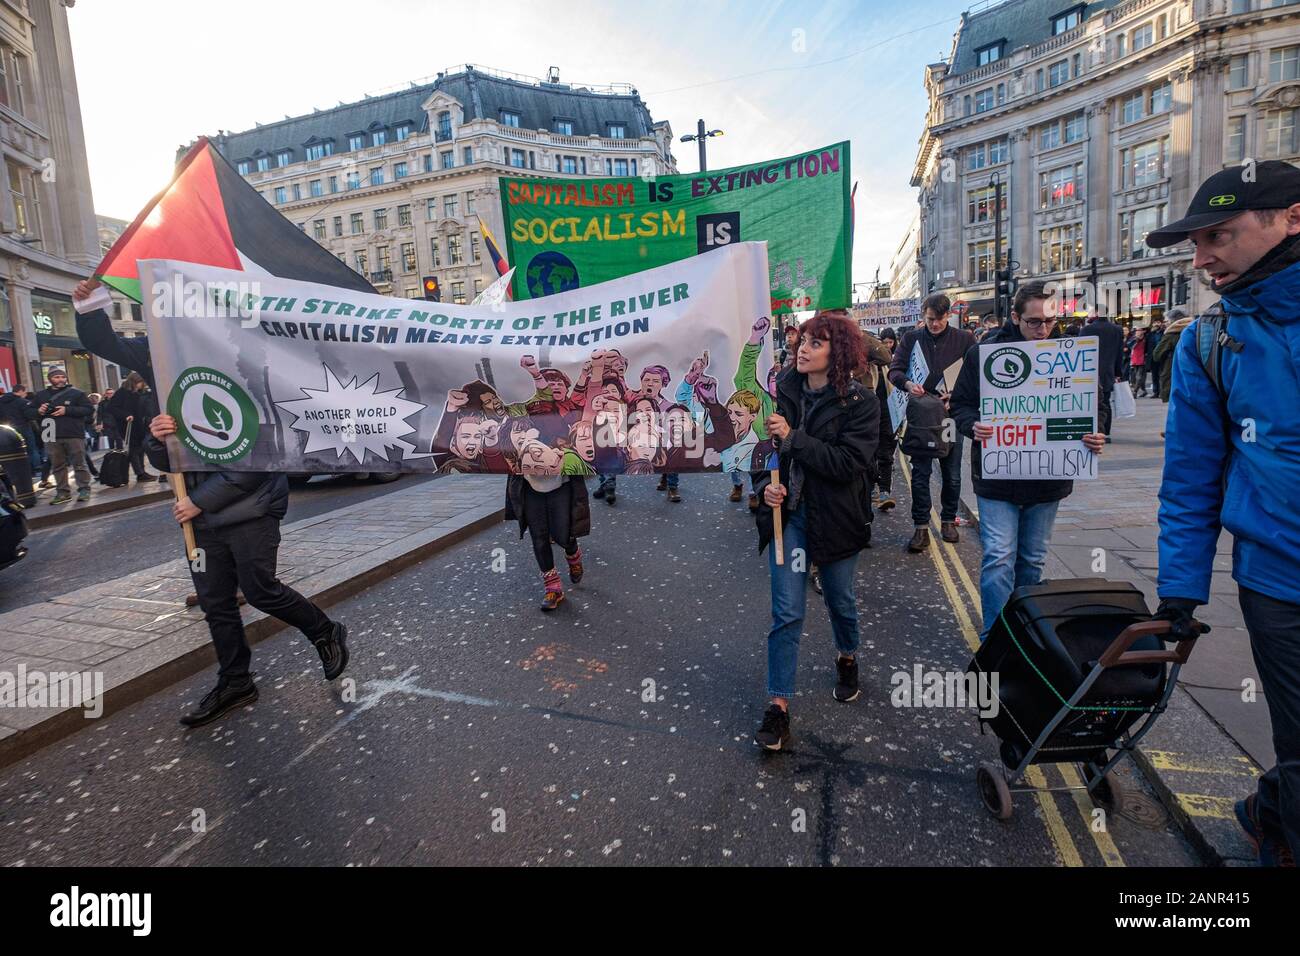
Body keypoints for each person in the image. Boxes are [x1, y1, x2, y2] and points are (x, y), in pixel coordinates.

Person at [73, 278, 349, 727]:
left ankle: (324, 630)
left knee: (260, 590)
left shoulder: (250, 359)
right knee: (215, 601)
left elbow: (256, 457)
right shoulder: (165, 353)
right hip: (198, 513)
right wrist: (157, 437)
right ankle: (236, 681)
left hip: (248, 507)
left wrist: (200, 502)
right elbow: (106, 344)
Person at [1146, 160, 1300, 868]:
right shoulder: (1210, 343)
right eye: (1196, 244)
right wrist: (1180, 589)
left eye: (1219, 237)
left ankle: (1267, 808)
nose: (1202, 259)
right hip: (1279, 582)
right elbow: (1191, 476)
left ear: (1291, 218)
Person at [950, 282, 1107, 639]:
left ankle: (1024, 631)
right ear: (1016, 317)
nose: (1043, 329)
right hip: (998, 477)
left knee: (1032, 560)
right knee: (999, 558)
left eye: (1050, 321)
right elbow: (960, 405)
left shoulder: (1071, 354)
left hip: (1048, 478)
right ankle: (995, 636)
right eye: (1034, 322)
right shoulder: (983, 354)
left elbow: (1090, 406)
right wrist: (971, 424)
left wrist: (1095, 435)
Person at [752, 310, 877, 751]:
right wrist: (763, 492)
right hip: (792, 520)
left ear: (836, 353)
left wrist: (793, 439)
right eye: (802, 340)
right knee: (787, 611)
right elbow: (761, 454)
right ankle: (778, 706)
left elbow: (848, 464)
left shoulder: (861, 404)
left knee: (840, 599)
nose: (803, 348)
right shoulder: (780, 391)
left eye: (816, 342)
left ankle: (847, 655)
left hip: (838, 519)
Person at [888, 293, 976, 551]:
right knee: (920, 472)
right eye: (929, 319)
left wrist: (957, 394)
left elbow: (975, 374)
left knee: (951, 472)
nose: (934, 324)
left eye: (938, 319)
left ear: (948, 315)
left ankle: (948, 520)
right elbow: (895, 370)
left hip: (949, 417)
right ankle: (921, 527)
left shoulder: (964, 339)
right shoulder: (911, 339)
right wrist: (907, 383)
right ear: (923, 316)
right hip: (922, 417)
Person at [28, 368, 93, 505]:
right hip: (49, 431)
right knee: (57, 465)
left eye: (62, 377)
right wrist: (38, 411)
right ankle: (63, 492)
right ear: (50, 379)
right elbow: (28, 412)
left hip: (73, 431)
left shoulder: (77, 393)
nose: (60, 379)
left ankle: (84, 489)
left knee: (79, 462)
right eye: (56, 377)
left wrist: (67, 410)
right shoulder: (41, 395)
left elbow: (88, 409)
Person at [852, 326, 894, 511]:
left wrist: (862, 335)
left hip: (883, 404)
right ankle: (868, 489)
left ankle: (884, 490)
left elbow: (886, 357)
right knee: (868, 452)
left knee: (885, 450)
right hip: (861, 406)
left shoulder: (867, 345)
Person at [106, 373, 157, 482]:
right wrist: (125, 415)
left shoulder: (139, 392)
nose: (141, 385)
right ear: (134, 382)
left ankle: (141, 471)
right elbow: (111, 408)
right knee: (134, 449)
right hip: (128, 425)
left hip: (140, 424)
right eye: (140, 382)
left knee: (140, 448)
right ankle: (139, 473)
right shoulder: (122, 392)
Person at [1085, 309, 1125, 443]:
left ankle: (1092, 429)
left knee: (1090, 403)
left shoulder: (1087, 329)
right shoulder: (1117, 329)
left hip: (1089, 370)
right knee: (1105, 401)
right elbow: (1119, 353)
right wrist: (1118, 372)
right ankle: (1105, 432)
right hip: (1108, 371)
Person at [0, 384, 41, 481]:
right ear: (21, 391)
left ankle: (16, 473)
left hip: (7, 430)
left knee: (12, 452)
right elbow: (29, 415)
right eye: (25, 392)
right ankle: (36, 470)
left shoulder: (1, 402)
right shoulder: (23, 402)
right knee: (31, 449)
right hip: (23, 427)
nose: (26, 394)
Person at [1152, 307, 1191, 406]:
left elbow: (1156, 355)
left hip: (1173, 374)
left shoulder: (1171, 335)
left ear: (1174, 321)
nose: (1165, 323)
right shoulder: (1193, 330)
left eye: (1167, 321)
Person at [1146, 319, 1165, 398]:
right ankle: (1155, 392)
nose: (1156, 324)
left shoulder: (1164, 333)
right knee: (1154, 375)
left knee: (1162, 375)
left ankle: (1162, 392)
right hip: (1153, 357)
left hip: (1162, 356)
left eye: (1158, 322)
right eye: (1155, 322)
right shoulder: (1150, 334)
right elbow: (1147, 346)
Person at [1128, 327, 1149, 396]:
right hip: (1134, 358)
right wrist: (1137, 339)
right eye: (1137, 331)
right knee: (1134, 377)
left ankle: (1135, 391)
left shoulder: (1146, 339)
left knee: (1139, 376)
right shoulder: (1133, 338)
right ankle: (1143, 390)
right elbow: (1130, 346)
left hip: (1142, 359)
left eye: (1140, 331)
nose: (1138, 332)